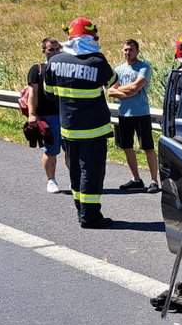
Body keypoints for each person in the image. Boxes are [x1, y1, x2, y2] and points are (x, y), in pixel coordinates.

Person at [45, 17, 116, 228]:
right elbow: (112, 81)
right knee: (92, 173)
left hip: (68, 129)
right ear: (90, 37)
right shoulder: (97, 61)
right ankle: (90, 216)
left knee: (74, 171)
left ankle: (80, 211)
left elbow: (50, 94)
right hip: (94, 130)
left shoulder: (54, 62)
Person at [108, 39, 159, 192]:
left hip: (141, 113)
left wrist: (122, 92)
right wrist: (126, 92)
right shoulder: (118, 70)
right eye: (125, 50)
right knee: (127, 147)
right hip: (124, 114)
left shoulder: (144, 67)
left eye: (130, 50)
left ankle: (154, 181)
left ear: (137, 51)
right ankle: (136, 178)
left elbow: (137, 87)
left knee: (148, 147)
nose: (127, 53)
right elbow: (110, 91)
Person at [26, 37, 64, 193]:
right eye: (51, 49)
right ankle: (51, 180)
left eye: (57, 49)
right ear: (44, 51)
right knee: (51, 150)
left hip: (65, 114)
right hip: (47, 115)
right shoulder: (37, 70)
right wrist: (32, 114)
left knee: (72, 150)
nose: (55, 52)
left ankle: (75, 181)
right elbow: (32, 94)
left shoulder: (65, 68)